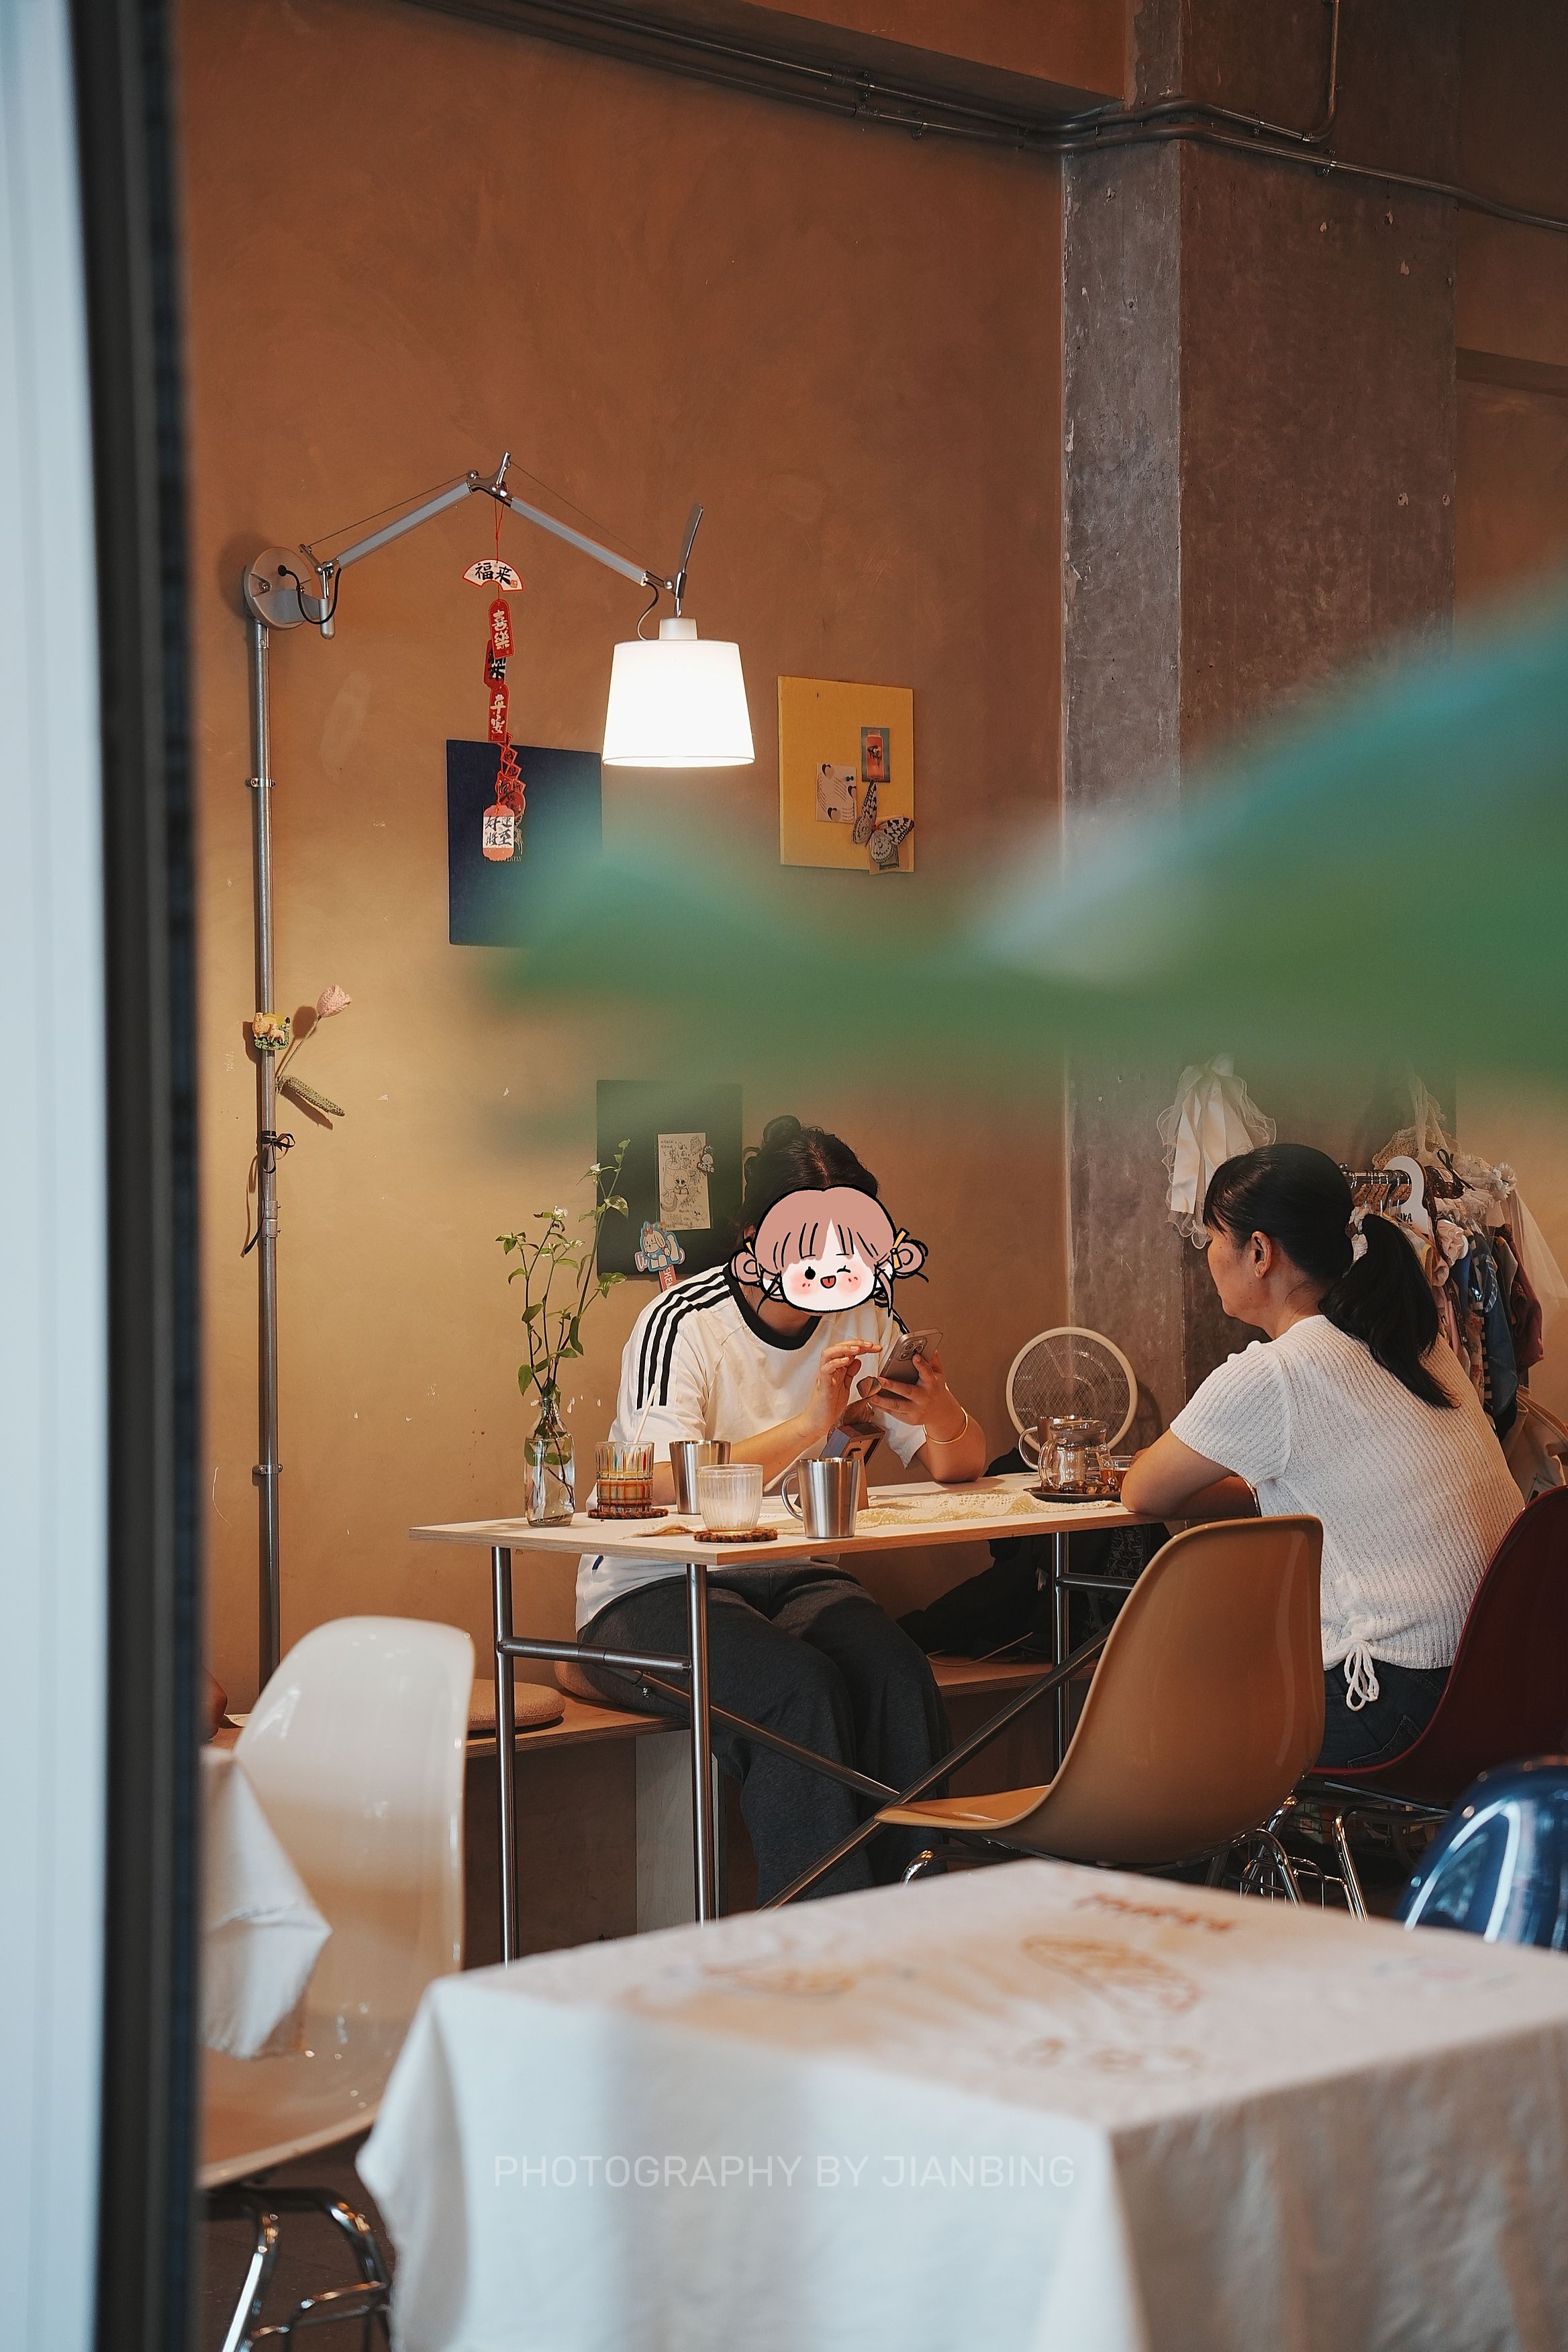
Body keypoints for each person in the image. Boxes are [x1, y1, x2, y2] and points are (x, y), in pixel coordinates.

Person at [578, 1114, 987, 1900]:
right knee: (797, 1689)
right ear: (751, 1235)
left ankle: (921, 1926)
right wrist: (809, 1425)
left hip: (789, 1574)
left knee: (899, 1676)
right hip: (652, 1586)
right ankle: (818, 1943)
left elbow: (959, 1465)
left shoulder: (865, 1316)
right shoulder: (681, 1321)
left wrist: (938, 1411)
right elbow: (664, 1481)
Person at [1120, 1143, 1520, 1769]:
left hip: (1400, 1701)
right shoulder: (1415, 1341)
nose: (1208, 1256)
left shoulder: (1277, 1372)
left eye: (1213, 1238)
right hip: (1508, 1688)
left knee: (1175, 1714)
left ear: (1259, 1252)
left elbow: (1143, 1490)